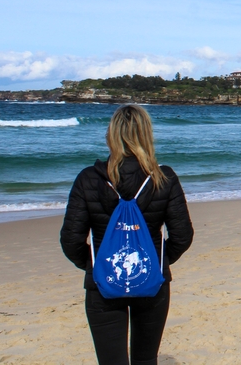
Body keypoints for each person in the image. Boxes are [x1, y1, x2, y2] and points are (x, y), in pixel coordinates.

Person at [61, 104, 193, 365]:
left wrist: (92, 266)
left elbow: (71, 239)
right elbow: (182, 235)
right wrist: (158, 262)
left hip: (103, 283)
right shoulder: (164, 178)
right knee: (145, 359)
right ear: (147, 134)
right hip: (152, 283)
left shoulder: (89, 179)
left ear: (111, 134)